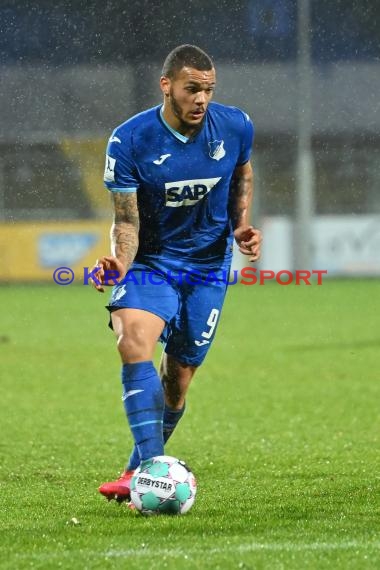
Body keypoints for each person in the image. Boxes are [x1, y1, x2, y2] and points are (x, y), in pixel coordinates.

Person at [91, 44, 262, 503]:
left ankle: (133, 470)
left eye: (208, 89)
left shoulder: (235, 125)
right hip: (153, 263)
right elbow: (126, 220)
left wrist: (240, 223)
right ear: (167, 85)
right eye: (192, 89)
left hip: (208, 266)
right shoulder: (129, 140)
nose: (201, 99)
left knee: (178, 379)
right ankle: (151, 470)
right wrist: (121, 263)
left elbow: (242, 173)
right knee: (133, 342)